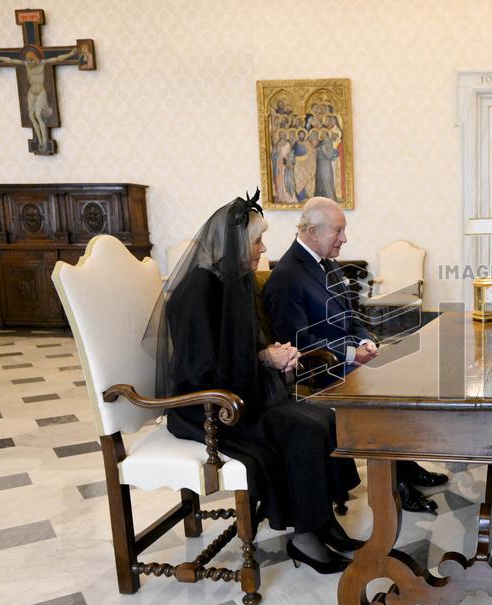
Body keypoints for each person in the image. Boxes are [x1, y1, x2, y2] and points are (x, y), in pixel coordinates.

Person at [146, 191, 363, 575]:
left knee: (325, 419)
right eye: (257, 242)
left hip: (239, 393)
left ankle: (323, 520)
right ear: (231, 246)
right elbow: (202, 369)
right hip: (207, 407)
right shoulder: (196, 290)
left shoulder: (234, 279)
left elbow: (241, 346)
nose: (264, 249)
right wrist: (265, 357)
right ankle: (305, 538)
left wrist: (271, 351)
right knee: (302, 429)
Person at [263, 196, 449, 513]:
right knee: (387, 390)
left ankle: (406, 466)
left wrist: (366, 341)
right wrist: (351, 354)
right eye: (338, 231)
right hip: (319, 369)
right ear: (310, 231)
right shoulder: (287, 275)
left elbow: (351, 315)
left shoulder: (329, 264)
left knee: (405, 375)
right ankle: (397, 485)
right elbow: (295, 341)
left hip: (346, 359)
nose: (344, 239)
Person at [0, 46, 77, 150]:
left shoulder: (42, 63)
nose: (29, 61)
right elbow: (11, 61)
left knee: (38, 115)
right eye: (27, 59)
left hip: (41, 92)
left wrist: (71, 54)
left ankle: (44, 142)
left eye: (31, 59)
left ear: (35, 57)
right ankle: (40, 142)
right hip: (31, 93)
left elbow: (58, 59)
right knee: (31, 116)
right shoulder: (27, 65)